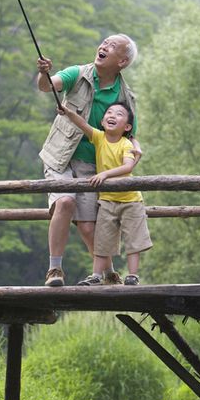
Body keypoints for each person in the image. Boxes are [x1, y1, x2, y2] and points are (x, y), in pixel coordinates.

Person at [37, 34, 141, 287]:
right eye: (104, 42)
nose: (104, 46)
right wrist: (43, 73)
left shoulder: (126, 98)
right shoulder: (78, 73)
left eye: (112, 46)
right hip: (59, 156)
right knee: (64, 202)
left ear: (123, 61)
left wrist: (136, 149)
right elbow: (47, 86)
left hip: (94, 165)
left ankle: (108, 275)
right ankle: (54, 270)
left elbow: (130, 135)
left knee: (87, 227)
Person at [57, 100, 152, 285]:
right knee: (102, 241)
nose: (112, 116)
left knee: (133, 239)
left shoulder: (125, 144)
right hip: (107, 200)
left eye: (119, 114)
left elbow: (128, 166)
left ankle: (132, 276)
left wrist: (105, 174)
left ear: (127, 126)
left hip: (130, 199)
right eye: (109, 112)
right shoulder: (99, 138)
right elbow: (82, 123)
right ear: (102, 122)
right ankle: (96, 276)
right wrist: (67, 112)